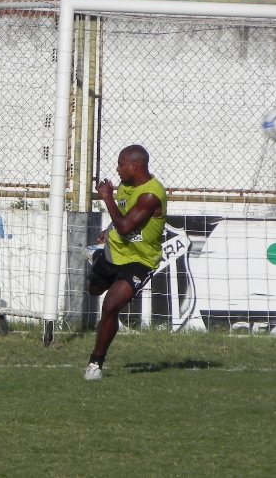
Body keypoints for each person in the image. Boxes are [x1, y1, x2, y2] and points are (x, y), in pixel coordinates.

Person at [84, 144, 167, 381]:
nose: (117, 169)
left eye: (121, 164)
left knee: (110, 306)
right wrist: (106, 230)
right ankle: (97, 255)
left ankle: (95, 364)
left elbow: (126, 226)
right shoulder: (125, 186)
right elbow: (121, 218)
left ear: (136, 165)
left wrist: (107, 199)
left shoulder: (151, 194)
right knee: (95, 289)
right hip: (112, 252)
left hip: (140, 260)